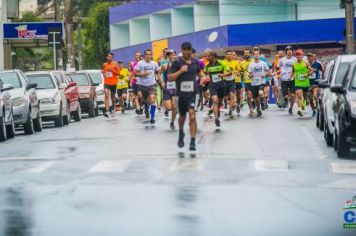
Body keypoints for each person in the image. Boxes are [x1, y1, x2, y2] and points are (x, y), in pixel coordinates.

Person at [168, 42, 204, 151]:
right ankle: (181, 132)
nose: (187, 51)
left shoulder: (195, 62)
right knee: (182, 117)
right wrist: (180, 71)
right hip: (181, 95)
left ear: (191, 50)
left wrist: (203, 78)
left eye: (189, 49)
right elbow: (170, 77)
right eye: (185, 49)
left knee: (192, 115)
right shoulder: (177, 63)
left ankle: (192, 141)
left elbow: (200, 74)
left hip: (193, 93)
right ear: (182, 50)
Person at [135, 49, 164, 124]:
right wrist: (142, 74)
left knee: (152, 99)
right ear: (144, 55)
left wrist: (161, 80)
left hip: (152, 84)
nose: (148, 56)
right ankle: (146, 107)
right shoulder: (140, 63)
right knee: (145, 100)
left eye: (149, 54)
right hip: (143, 85)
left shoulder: (154, 64)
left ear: (151, 55)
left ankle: (152, 117)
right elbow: (135, 74)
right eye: (147, 54)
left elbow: (158, 73)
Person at [204, 51, 230, 127]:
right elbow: (205, 74)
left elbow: (230, 73)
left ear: (213, 56)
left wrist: (222, 75)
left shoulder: (221, 63)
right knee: (215, 100)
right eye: (206, 56)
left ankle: (217, 110)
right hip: (212, 86)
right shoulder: (207, 65)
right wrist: (206, 78)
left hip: (222, 85)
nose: (207, 58)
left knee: (219, 102)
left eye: (208, 56)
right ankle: (216, 119)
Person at [291, 49, 313, 117]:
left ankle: (304, 104)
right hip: (298, 82)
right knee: (299, 95)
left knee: (305, 96)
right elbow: (293, 71)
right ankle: (299, 109)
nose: (298, 56)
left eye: (300, 54)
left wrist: (308, 74)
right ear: (296, 56)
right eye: (297, 55)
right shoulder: (294, 64)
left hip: (305, 83)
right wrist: (290, 76)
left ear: (302, 56)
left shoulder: (306, 63)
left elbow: (311, 70)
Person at [248, 50, 270, 117]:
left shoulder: (263, 63)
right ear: (253, 55)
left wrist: (265, 74)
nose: (256, 55)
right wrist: (250, 75)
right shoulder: (251, 64)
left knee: (260, 93)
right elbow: (249, 74)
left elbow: (268, 71)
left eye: (257, 54)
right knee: (256, 98)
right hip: (254, 83)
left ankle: (263, 100)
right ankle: (259, 109)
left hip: (261, 82)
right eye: (255, 54)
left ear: (259, 55)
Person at [162, 49, 178, 129]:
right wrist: (162, 81)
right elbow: (158, 73)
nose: (172, 56)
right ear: (168, 56)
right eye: (170, 55)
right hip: (167, 88)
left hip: (176, 88)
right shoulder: (165, 66)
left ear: (175, 55)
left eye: (173, 54)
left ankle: (172, 122)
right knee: (169, 108)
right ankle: (169, 110)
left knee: (174, 106)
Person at [278, 46, 297, 115]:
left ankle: (291, 108)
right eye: (287, 50)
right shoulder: (282, 59)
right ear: (286, 52)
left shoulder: (295, 59)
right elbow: (278, 67)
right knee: (285, 96)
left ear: (292, 51)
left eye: (290, 50)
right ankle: (285, 101)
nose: (289, 51)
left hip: (292, 79)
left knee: (292, 95)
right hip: (284, 79)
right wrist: (279, 74)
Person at [103, 52, 120, 118]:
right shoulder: (104, 64)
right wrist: (104, 75)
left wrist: (112, 70)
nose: (110, 58)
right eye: (109, 57)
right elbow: (105, 72)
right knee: (106, 95)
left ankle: (113, 108)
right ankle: (107, 111)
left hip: (113, 83)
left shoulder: (115, 64)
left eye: (111, 57)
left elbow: (118, 73)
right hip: (106, 82)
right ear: (106, 57)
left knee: (113, 97)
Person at [223, 50, 238, 118]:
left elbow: (237, 71)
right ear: (226, 55)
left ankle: (230, 110)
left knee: (232, 95)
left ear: (232, 55)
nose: (229, 55)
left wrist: (237, 73)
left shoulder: (235, 63)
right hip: (224, 81)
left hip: (232, 81)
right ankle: (231, 104)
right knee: (225, 98)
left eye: (230, 54)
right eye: (228, 54)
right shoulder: (222, 62)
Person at [240, 49, 254, 116]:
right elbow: (240, 71)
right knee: (248, 96)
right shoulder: (242, 63)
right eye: (245, 53)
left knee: (257, 96)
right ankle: (251, 109)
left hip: (255, 81)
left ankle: (259, 105)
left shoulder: (254, 61)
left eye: (247, 53)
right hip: (247, 81)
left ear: (250, 54)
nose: (246, 54)